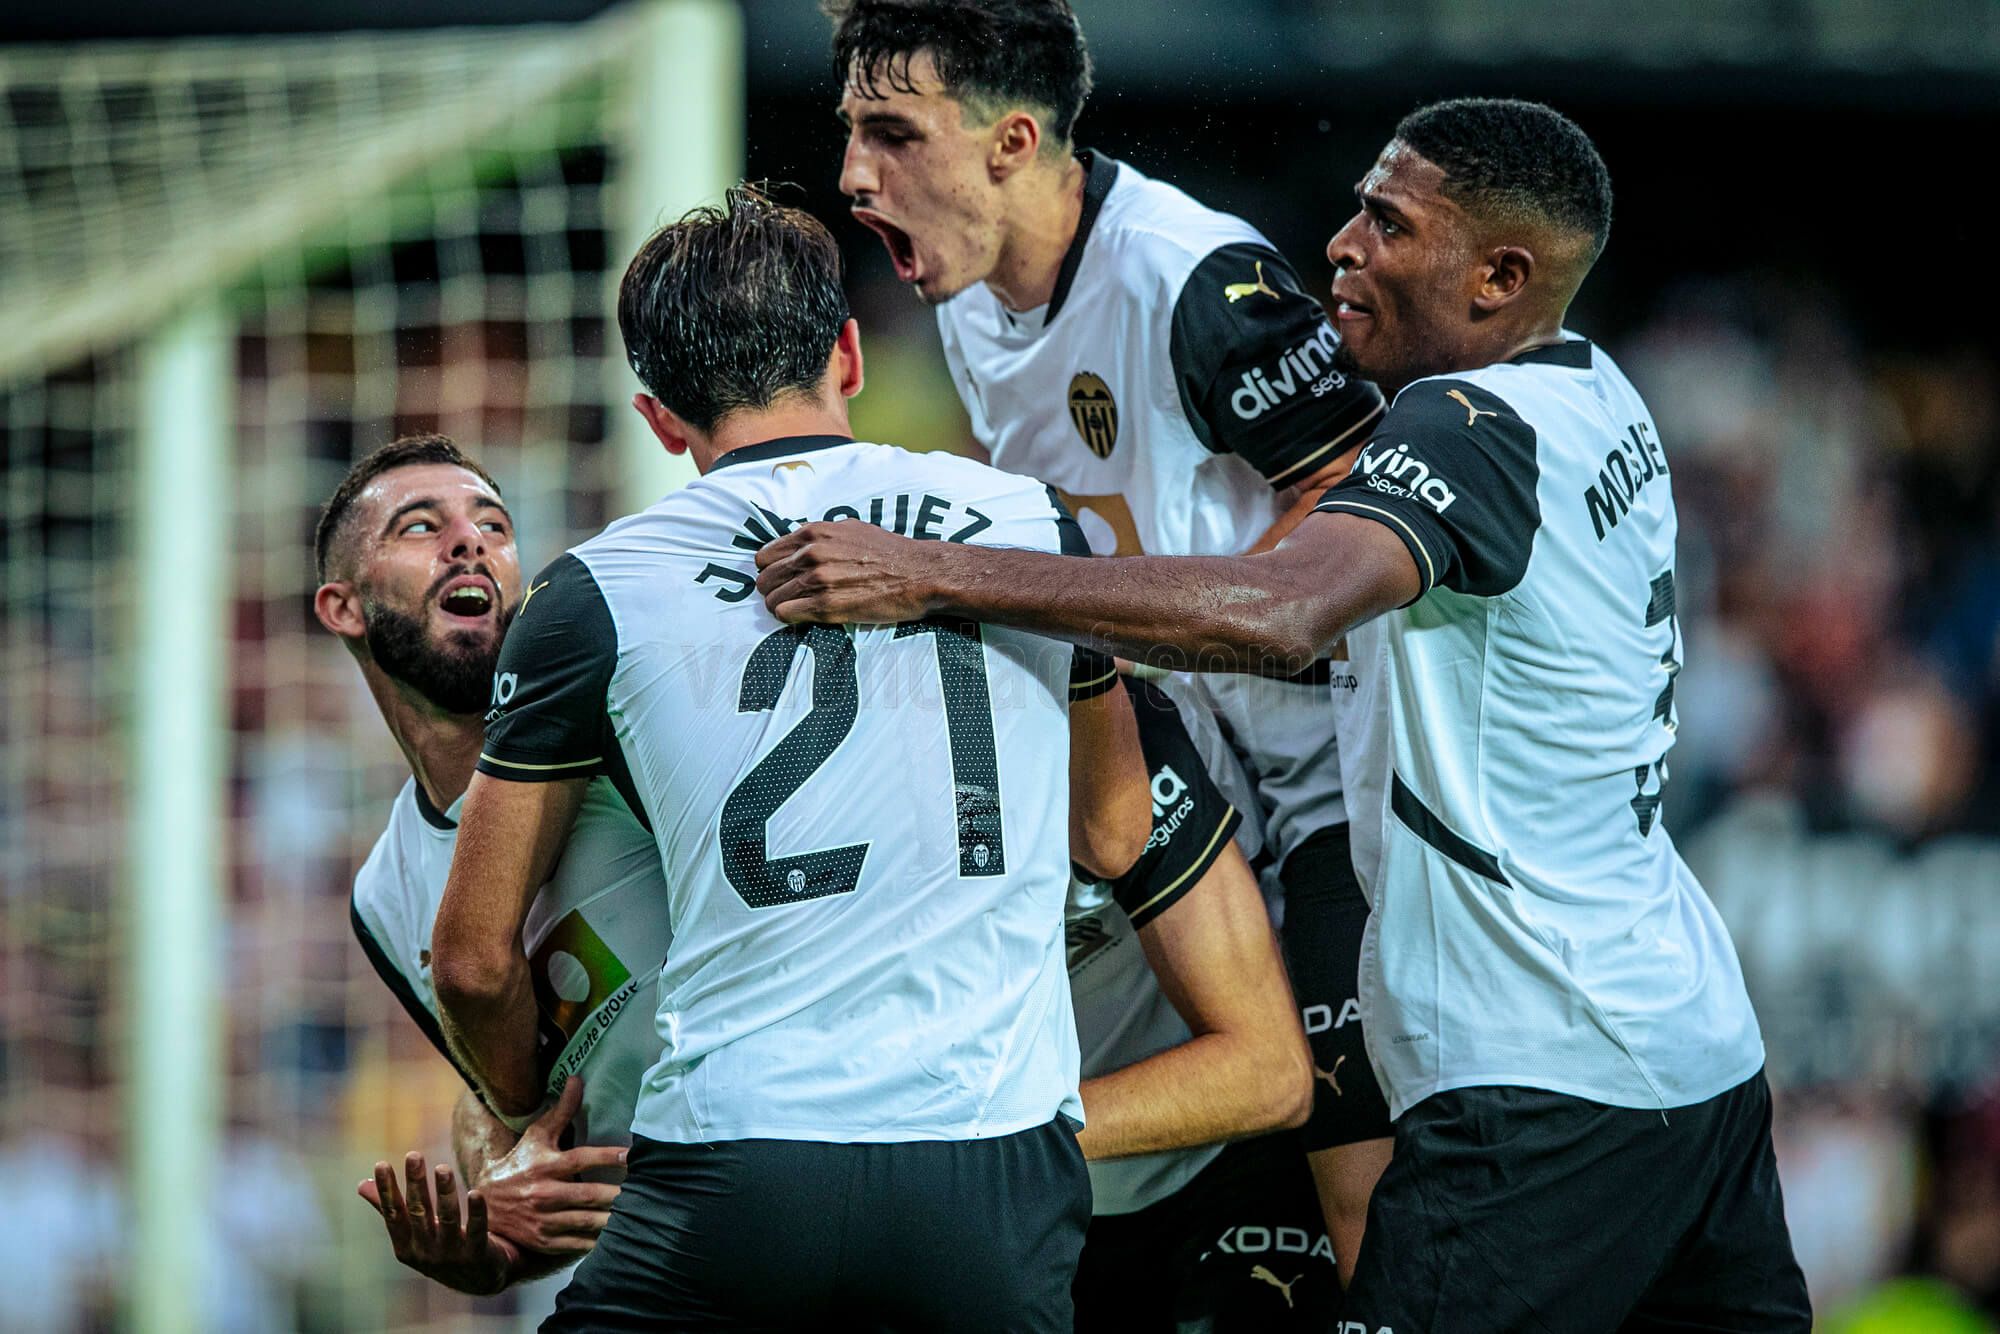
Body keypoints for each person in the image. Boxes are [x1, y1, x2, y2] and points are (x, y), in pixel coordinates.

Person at [755, 98, 1814, 1330]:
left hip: (1539, 1075)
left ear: (1498, 277)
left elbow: (1279, 612)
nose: (1340, 248)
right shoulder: (1602, 396)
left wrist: (935, 573)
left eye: (1387, 224)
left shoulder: (1466, 425)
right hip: (1696, 1049)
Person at [429, 185, 1151, 1332]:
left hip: (737, 1162)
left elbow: (470, 958)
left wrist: (524, 1109)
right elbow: (1113, 832)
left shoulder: (593, 590)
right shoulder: (1027, 523)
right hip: (987, 1161)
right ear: (849, 354)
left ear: (657, 416)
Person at [825, 0, 1394, 1275]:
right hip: (1181, 795)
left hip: (1328, 804)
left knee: (1368, 1228)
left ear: (1011, 140)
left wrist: (1134, 633)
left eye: (890, 134)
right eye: (848, 132)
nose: (854, 175)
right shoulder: (967, 304)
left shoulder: (1187, 276)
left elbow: (1354, 513)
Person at [312, 434, 661, 1302]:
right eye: (420, 526)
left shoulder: (630, 730)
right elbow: (515, 1113)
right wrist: (488, 1236)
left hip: (804, 1159)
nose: (470, 542)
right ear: (343, 608)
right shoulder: (384, 898)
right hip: (665, 1247)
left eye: (494, 524)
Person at [1066, 674, 1334, 1329]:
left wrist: (990, 1135)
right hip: (1044, 1195)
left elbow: (1270, 1075)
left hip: (1220, 1163)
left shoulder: (1150, 721)